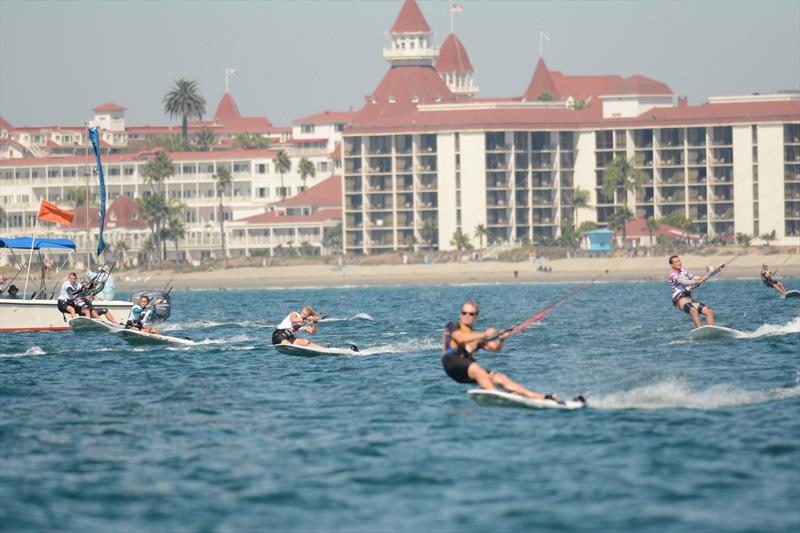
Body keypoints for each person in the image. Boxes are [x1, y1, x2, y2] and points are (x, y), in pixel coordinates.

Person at [441, 300, 555, 400]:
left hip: (465, 369)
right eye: (464, 313)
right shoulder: (453, 325)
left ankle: (542, 397)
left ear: (477, 317)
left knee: (500, 378)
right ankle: (494, 393)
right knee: (478, 370)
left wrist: (501, 339)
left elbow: (495, 348)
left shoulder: (474, 336)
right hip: (452, 362)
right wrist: (484, 334)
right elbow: (460, 338)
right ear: (460, 314)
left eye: (471, 314)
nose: (467, 316)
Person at [668, 255, 714, 328]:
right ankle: (699, 330)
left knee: (708, 311)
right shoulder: (672, 275)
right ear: (672, 265)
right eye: (676, 262)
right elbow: (684, 281)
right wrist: (697, 282)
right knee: (693, 310)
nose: (679, 263)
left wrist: (703, 277)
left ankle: (711, 329)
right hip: (679, 299)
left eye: (679, 261)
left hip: (688, 297)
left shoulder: (684, 271)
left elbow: (693, 277)